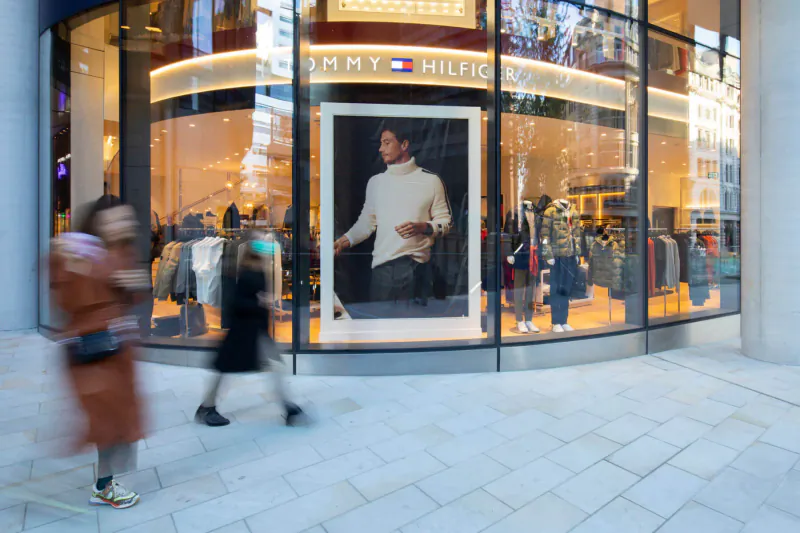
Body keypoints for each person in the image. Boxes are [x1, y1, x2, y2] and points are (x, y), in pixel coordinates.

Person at [50, 197, 149, 509]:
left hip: (116, 350)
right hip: (92, 350)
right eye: (114, 220)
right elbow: (67, 299)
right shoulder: (77, 251)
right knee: (105, 420)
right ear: (98, 223)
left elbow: (132, 297)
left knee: (117, 418)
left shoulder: (122, 252)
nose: (123, 225)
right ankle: (104, 487)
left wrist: (133, 285)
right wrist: (105, 276)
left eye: (125, 219)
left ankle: (105, 482)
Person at [333, 120, 453, 313]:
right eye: (381, 143)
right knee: (382, 330)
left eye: (387, 142)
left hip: (417, 270)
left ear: (404, 145)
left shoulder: (431, 181)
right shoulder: (376, 183)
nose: (381, 149)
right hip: (382, 272)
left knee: (414, 330)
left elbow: (446, 223)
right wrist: (342, 242)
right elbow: (367, 222)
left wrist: (423, 227)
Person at [195, 239, 303, 427]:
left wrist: (264, 304)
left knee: (272, 366)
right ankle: (206, 407)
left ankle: (288, 407)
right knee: (226, 369)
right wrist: (260, 302)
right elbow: (235, 303)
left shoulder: (258, 271)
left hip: (256, 332)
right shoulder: (243, 274)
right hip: (242, 332)